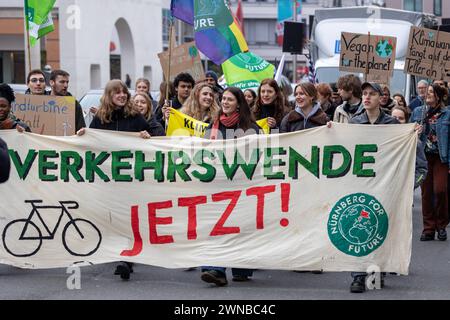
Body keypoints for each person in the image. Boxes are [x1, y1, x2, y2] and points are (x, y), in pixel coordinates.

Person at [77, 80, 152, 280]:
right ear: (109, 96)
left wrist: (147, 135)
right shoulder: (101, 117)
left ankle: (126, 259)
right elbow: (92, 142)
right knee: (112, 215)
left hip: (131, 177)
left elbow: (154, 135)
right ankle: (117, 252)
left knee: (129, 216)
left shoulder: (135, 116)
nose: (121, 95)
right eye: (117, 93)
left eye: (124, 92)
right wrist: (83, 135)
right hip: (109, 178)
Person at [201, 87, 260, 286]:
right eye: (223, 99)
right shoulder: (213, 126)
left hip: (242, 185)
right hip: (217, 185)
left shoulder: (250, 127)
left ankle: (241, 267)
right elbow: (204, 152)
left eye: (230, 99)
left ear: (239, 103)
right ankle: (216, 269)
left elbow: (257, 157)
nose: (225, 102)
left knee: (239, 228)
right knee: (218, 227)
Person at [346, 82, 399, 293]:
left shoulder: (393, 124)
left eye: (372, 94)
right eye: (364, 94)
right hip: (360, 183)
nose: (366, 97)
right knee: (358, 225)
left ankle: (377, 272)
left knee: (378, 227)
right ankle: (358, 276)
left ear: (381, 98)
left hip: (385, 184)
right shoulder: (354, 122)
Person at [410, 83, 450, 242]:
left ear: (438, 96)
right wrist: (415, 131)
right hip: (423, 157)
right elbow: (408, 134)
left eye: (431, 92)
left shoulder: (447, 114)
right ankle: (428, 228)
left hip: (441, 158)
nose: (427, 94)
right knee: (426, 194)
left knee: (440, 190)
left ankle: (441, 225)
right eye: (426, 91)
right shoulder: (418, 112)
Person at [392, 105, 428, 189]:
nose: (396, 120)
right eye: (394, 117)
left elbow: (422, 169)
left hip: (404, 192)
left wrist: (411, 185)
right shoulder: (382, 139)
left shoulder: (415, 142)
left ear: (406, 121)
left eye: (400, 118)